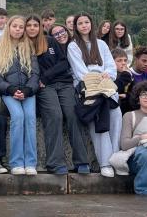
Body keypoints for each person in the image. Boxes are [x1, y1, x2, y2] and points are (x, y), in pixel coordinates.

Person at [26, 15, 89, 174]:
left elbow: (64, 62)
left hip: (64, 83)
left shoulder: (50, 41)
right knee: (55, 115)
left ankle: (82, 161)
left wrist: (46, 76)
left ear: (41, 27)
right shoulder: (24, 45)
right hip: (44, 87)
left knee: (73, 115)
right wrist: (42, 81)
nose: (33, 28)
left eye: (36, 25)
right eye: (29, 25)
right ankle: (55, 163)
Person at [67, 13, 122, 177]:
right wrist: (98, 79)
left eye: (86, 22)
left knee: (116, 116)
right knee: (99, 119)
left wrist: (107, 75)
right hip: (88, 89)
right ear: (76, 27)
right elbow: (80, 71)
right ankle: (105, 163)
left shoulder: (101, 45)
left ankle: (116, 160)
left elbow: (111, 67)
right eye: (80, 23)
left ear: (91, 24)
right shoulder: (73, 46)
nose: (84, 26)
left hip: (106, 86)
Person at [0, 15, 39, 175]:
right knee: (18, 117)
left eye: (21, 27)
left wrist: (28, 90)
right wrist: (9, 89)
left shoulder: (28, 46)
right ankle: (16, 162)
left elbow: (35, 73)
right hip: (8, 92)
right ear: (9, 27)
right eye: (15, 26)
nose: (18, 29)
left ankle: (30, 162)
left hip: (27, 92)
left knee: (30, 118)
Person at [112, 48, 134, 115]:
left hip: (126, 110)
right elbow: (115, 88)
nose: (123, 63)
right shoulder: (110, 75)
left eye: (125, 60)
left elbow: (134, 92)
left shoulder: (129, 74)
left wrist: (126, 95)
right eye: (119, 61)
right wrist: (125, 75)